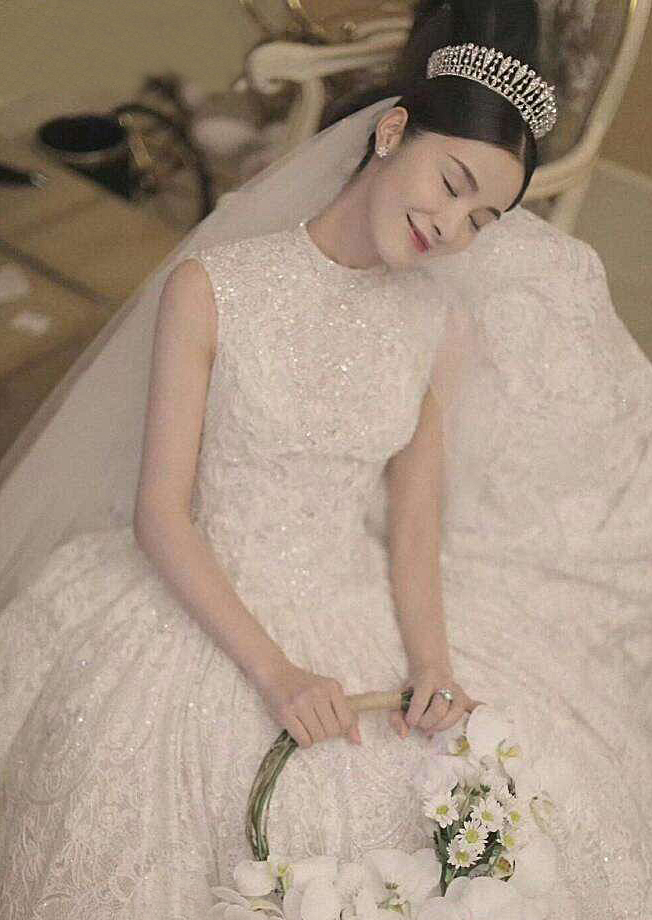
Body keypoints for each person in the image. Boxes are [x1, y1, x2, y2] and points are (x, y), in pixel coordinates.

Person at [0, 0, 650, 916]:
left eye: (482, 218)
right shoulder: (215, 289)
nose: (450, 227)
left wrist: (433, 664)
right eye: (451, 182)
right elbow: (162, 514)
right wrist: (277, 673)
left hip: (351, 590)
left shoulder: (436, 318)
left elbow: (413, 518)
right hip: (207, 594)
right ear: (391, 133)